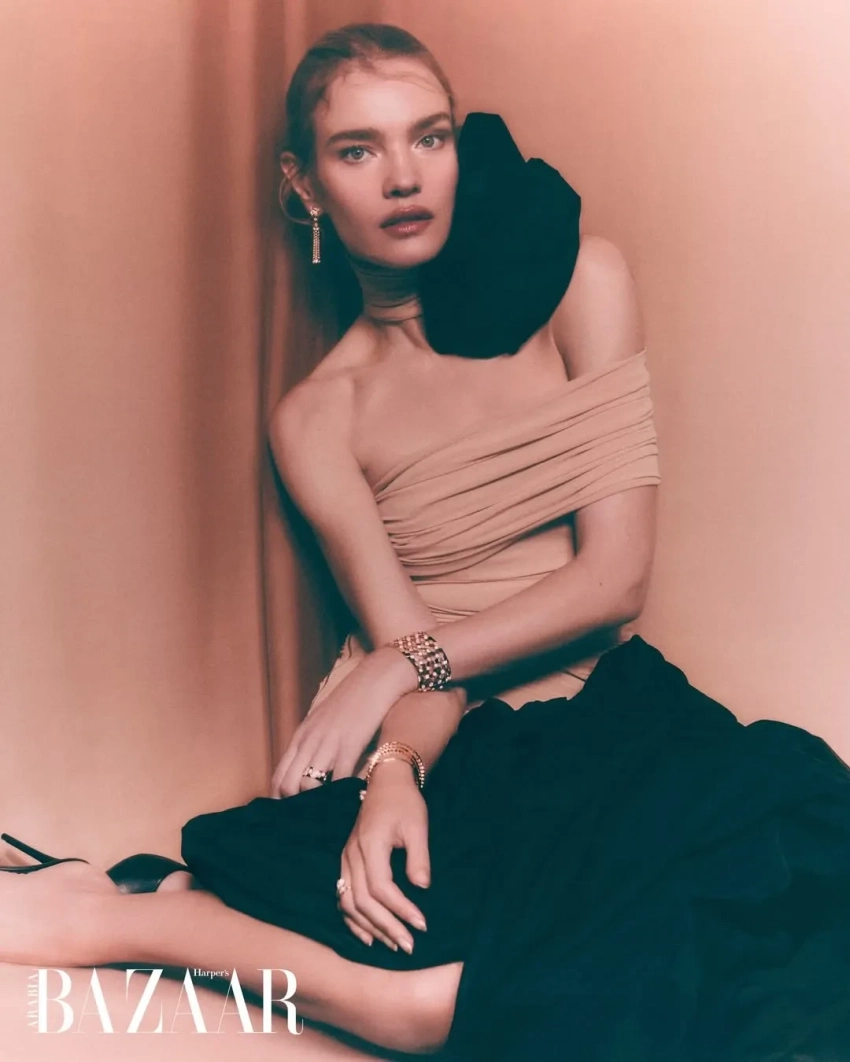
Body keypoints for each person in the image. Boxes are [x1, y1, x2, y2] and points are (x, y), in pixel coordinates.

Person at [4, 21, 850, 1062]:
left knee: (769, 949)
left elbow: (614, 582)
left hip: (617, 723)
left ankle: (136, 917)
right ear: (304, 184)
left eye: (430, 137)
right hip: (460, 747)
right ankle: (111, 918)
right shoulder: (318, 416)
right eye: (357, 149)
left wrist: (399, 667)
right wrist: (395, 769)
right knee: (443, 1003)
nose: (403, 177)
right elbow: (409, 640)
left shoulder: (582, 283)